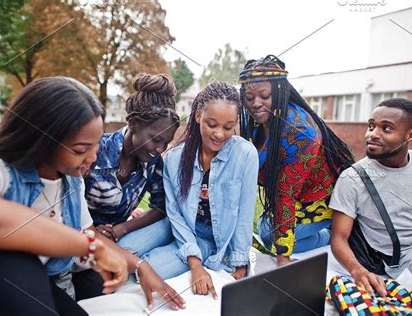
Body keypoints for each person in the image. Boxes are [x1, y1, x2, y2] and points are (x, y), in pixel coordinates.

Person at [0, 77, 185, 315]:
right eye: (81, 149)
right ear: (43, 138)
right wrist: (91, 247)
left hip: (53, 279)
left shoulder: (72, 181)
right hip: (2, 283)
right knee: (14, 261)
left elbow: (88, 232)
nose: (94, 158)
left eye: (95, 146)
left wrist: (140, 266)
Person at [138, 81, 259, 298]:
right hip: (179, 227)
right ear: (197, 117)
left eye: (228, 127)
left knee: (148, 268)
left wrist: (239, 262)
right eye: (212, 124)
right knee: (125, 249)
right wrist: (196, 266)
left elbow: (244, 213)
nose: (219, 134)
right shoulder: (174, 159)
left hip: (209, 239)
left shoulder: (245, 154)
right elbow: (174, 214)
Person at [238, 55, 355, 266]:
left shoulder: (300, 133)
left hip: (321, 199)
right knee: (266, 228)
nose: (256, 104)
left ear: (280, 92)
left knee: (268, 236)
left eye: (264, 95)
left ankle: (332, 236)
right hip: (297, 195)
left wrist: (283, 256)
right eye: (249, 97)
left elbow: (285, 194)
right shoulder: (255, 121)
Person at [330, 98, 412, 295]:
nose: (372, 135)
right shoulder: (353, 178)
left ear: (411, 135)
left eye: (386, 129)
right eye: (371, 126)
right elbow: (339, 238)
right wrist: (357, 270)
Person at [84, 73, 180, 257]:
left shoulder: (153, 162)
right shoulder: (95, 152)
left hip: (117, 237)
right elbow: (70, 202)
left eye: (166, 143)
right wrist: (94, 229)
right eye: (156, 139)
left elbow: (160, 207)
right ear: (134, 123)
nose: (160, 149)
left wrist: (123, 228)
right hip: (81, 234)